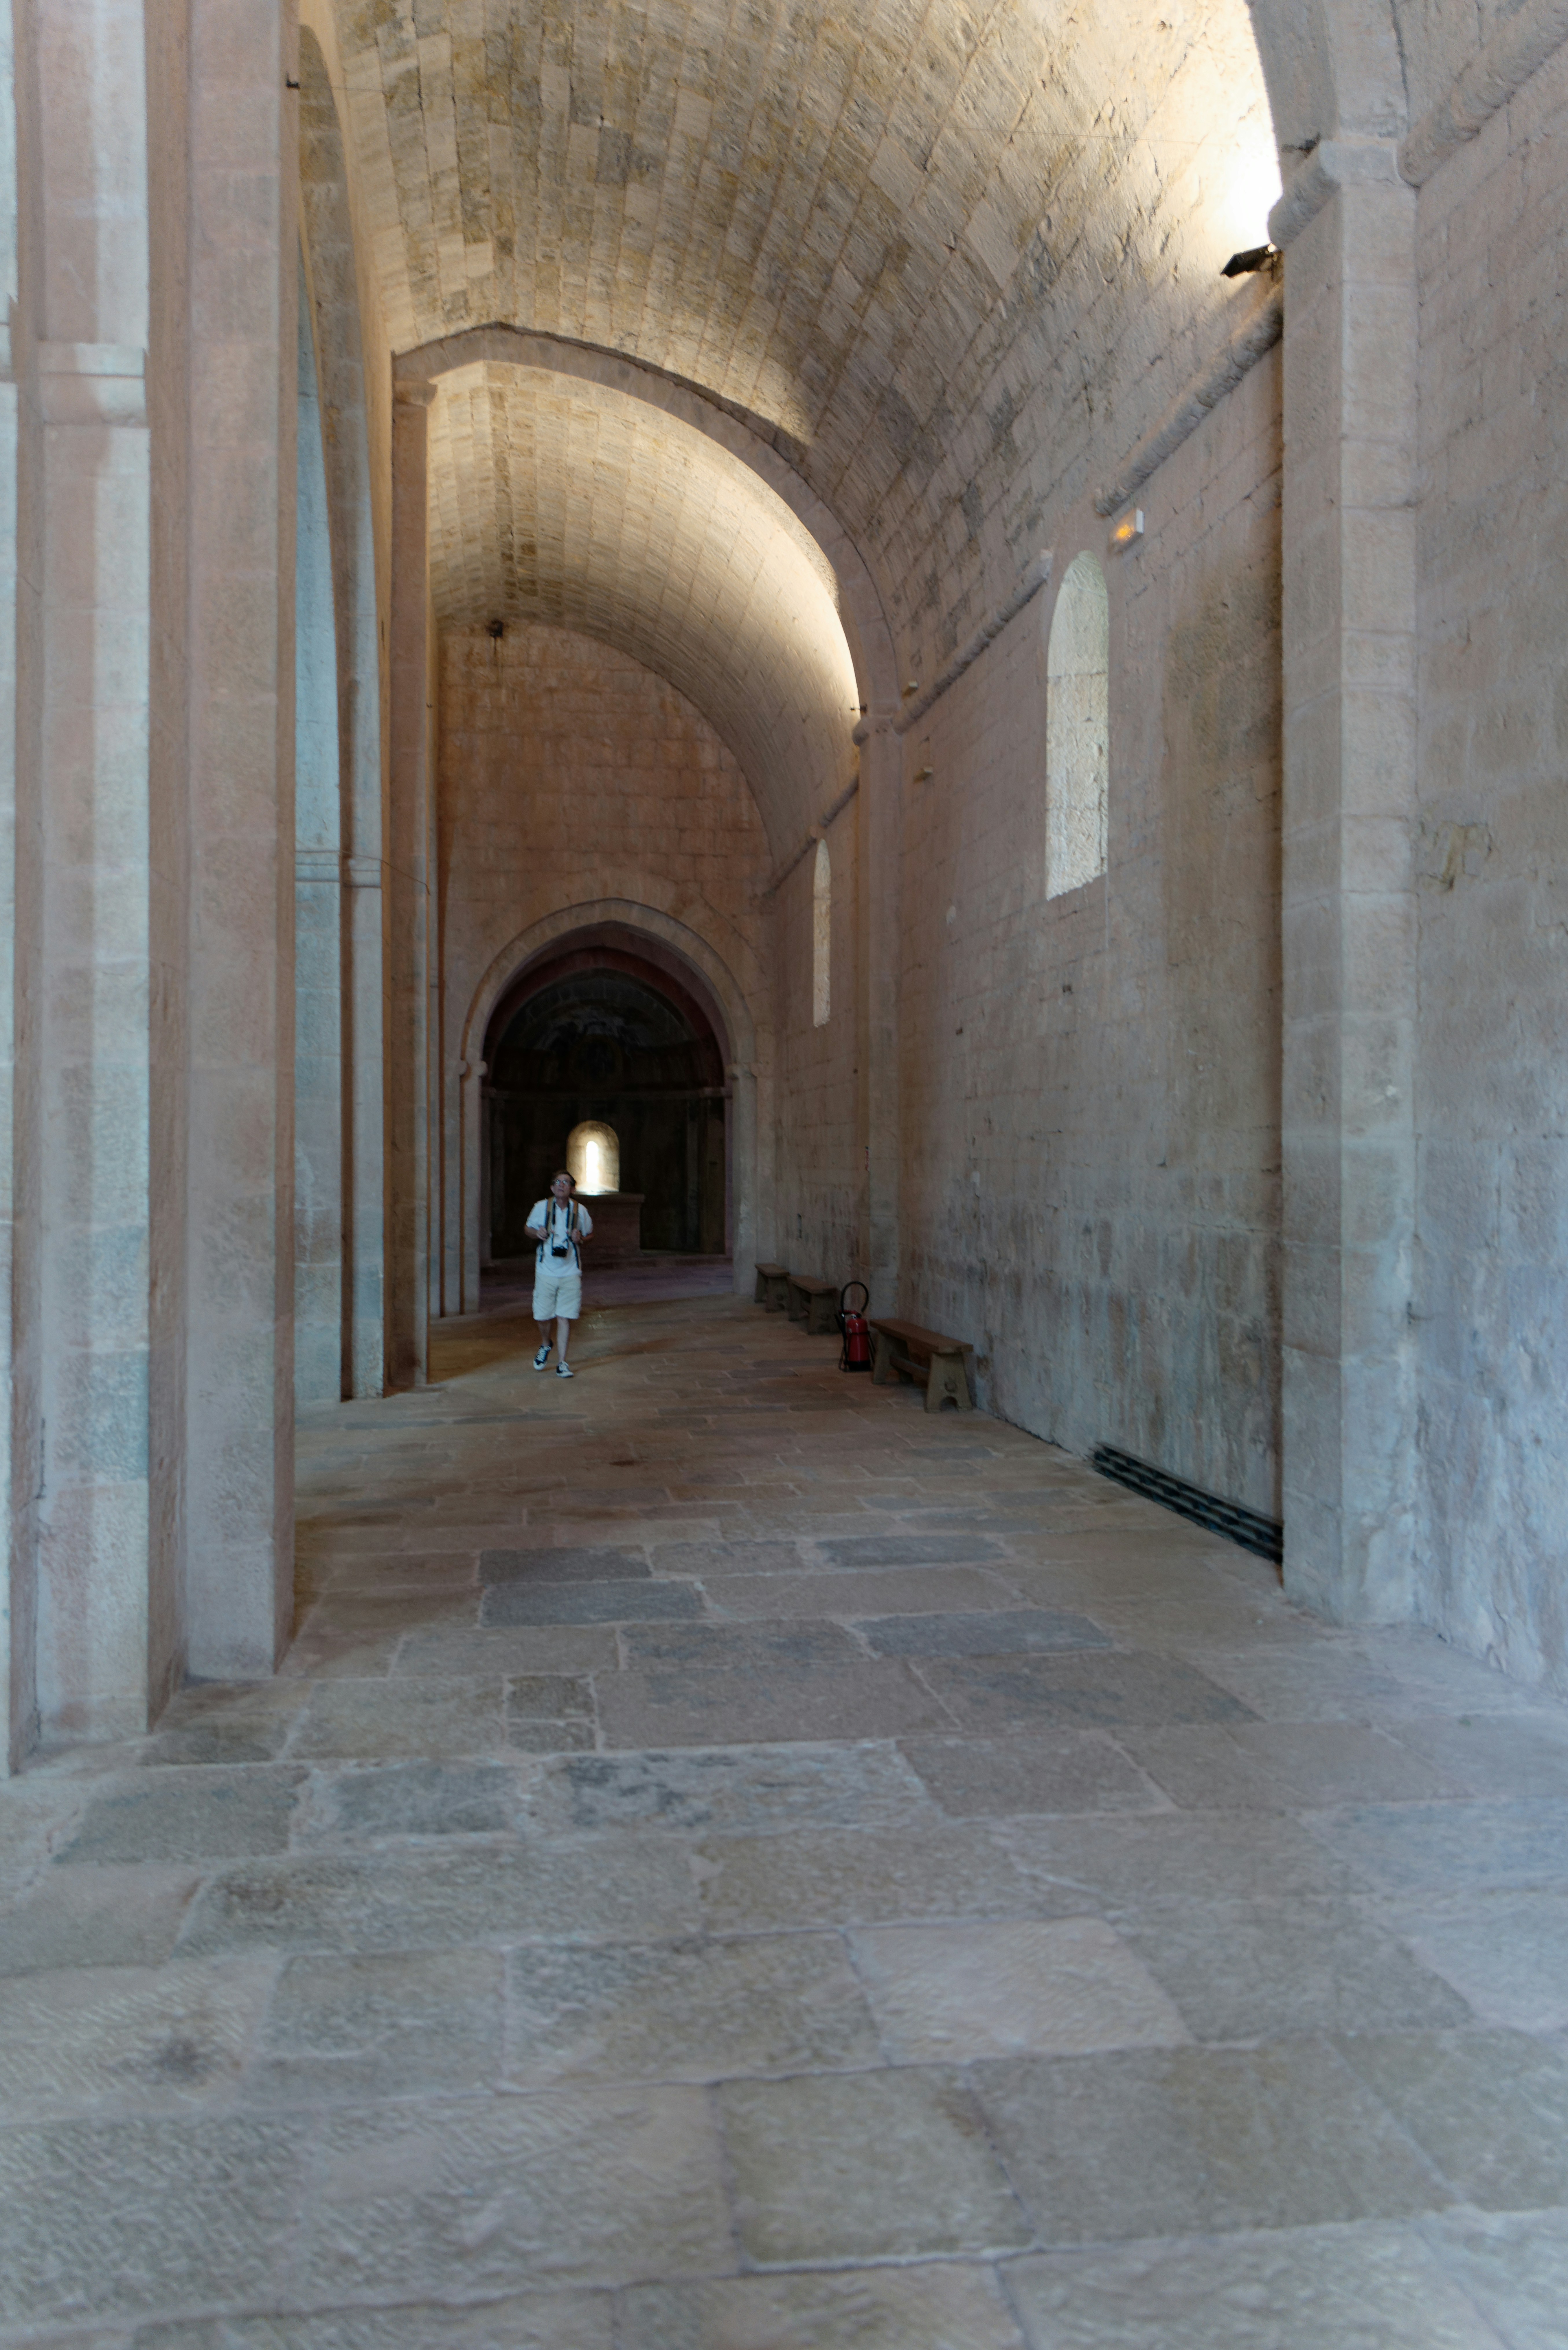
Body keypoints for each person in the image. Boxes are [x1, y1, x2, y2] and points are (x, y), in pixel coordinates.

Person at [526, 1170, 593, 1375]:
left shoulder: (579, 1211)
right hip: (546, 1270)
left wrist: (580, 1238)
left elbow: (590, 1234)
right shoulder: (541, 1207)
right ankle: (546, 1344)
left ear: (572, 1189)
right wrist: (537, 1233)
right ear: (552, 1188)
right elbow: (528, 1228)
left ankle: (562, 1363)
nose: (561, 1185)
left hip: (570, 1270)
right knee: (541, 1316)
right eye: (557, 1182)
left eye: (565, 1182)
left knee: (565, 1316)